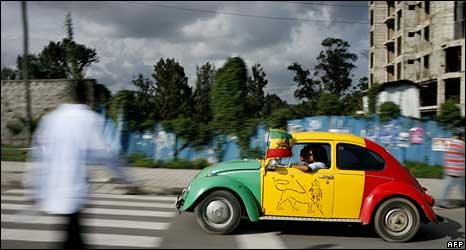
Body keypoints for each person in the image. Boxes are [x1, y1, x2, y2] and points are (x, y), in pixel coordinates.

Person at [27, 82, 136, 249]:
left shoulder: (51, 119)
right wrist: (128, 180)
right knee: (74, 239)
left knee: (70, 238)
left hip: (54, 194)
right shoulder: (90, 119)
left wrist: (33, 190)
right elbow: (108, 156)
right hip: (74, 196)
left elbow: (38, 155)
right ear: (87, 97)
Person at [438, 132, 465, 208]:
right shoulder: (461, 145)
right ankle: (442, 202)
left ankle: (442, 201)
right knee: (452, 186)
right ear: (462, 137)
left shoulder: (452, 143)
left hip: (450, 168)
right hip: (458, 170)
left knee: (451, 186)